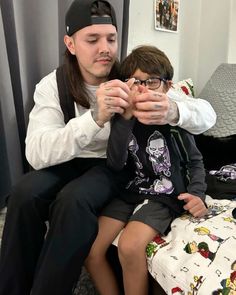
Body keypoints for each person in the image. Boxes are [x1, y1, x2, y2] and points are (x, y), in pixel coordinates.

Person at [0, 0, 215, 293]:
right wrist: (94, 118)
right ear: (71, 44)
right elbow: (37, 154)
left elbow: (206, 114)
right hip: (65, 160)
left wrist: (173, 112)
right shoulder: (53, 85)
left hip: (111, 165)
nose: (105, 48)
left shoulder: (131, 77)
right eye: (92, 39)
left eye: (111, 39)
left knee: (73, 200)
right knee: (23, 194)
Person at [85, 45, 209, 295]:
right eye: (134, 82)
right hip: (131, 189)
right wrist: (126, 119)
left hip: (165, 193)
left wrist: (198, 194)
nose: (141, 89)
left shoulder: (174, 119)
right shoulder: (121, 118)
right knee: (91, 249)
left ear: (168, 86)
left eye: (151, 81)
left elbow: (195, 162)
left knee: (130, 246)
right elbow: (116, 162)